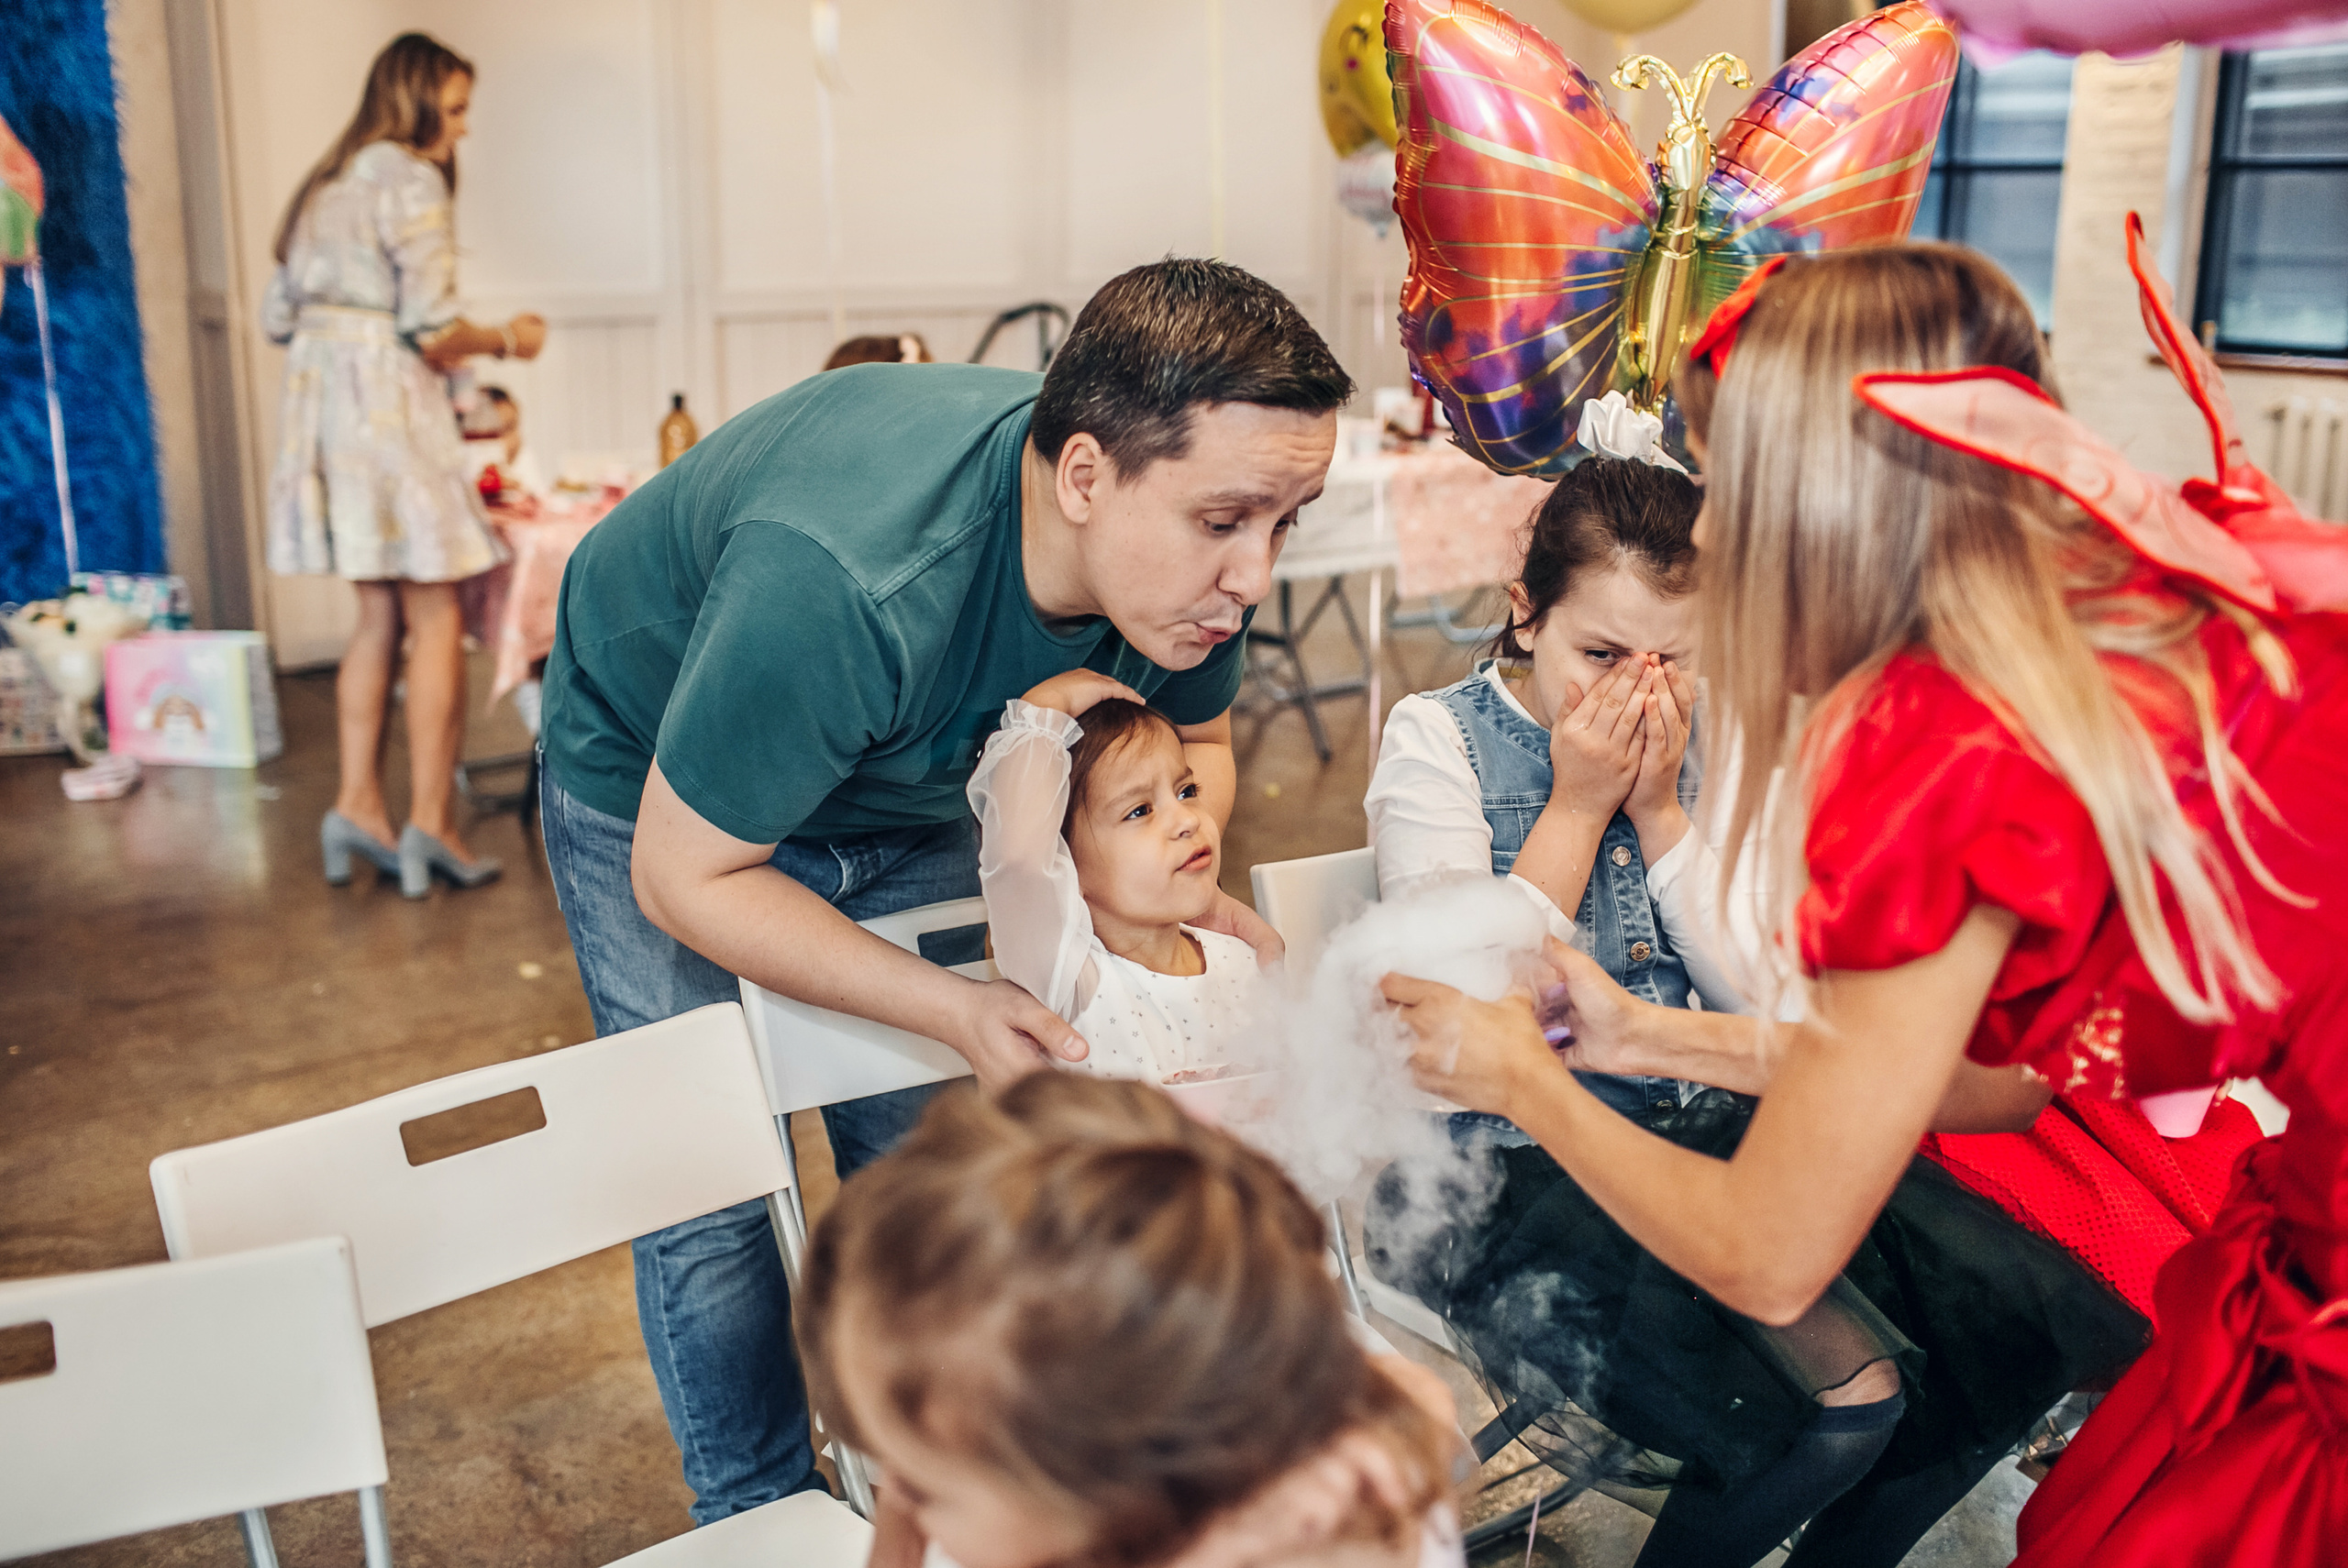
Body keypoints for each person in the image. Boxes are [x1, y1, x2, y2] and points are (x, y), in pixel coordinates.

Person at [1378, 240, 2348, 1567]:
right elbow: (1996, 1080)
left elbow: (1774, 1258)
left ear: (1825, 505)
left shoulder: (1958, 758)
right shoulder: (2095, 620)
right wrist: (1636, 1035)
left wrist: (1527, 1076)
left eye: (1724, 489)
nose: (1708, 534)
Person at [536, 258, 1346, 1522]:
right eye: (1225, 521)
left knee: (922, 1153)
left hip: (909, 767)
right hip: (658, 768)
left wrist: (1157, 899)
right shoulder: (851, 581)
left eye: (1286, 524)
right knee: (706, 1171)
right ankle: (757, 1512)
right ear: (1084, 477)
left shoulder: (1178, 579)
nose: (1255, 576)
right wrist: (956, 1004)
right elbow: (686, 875)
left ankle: (937, 1483)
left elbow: (1206, 752)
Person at [1363, 442, 2143, 1568]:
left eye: (1671, 658)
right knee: (1842, 1408)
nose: (1639, 691)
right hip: (1503, 1162)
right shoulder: (1437, 741)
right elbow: (1471, 1010)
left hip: (1710, 1117)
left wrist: (1669, 821)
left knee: (2006, 1331)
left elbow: (1766, 996)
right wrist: (1578, 809)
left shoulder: (1717, 735)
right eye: (1598, 653)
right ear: (1523, 615)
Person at [794, 1071, 1466, 1568]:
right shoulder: (1254, 1373)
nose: (898, 1502)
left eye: (924, 1487)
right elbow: (1419, 1402)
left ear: (1114, 1499)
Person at [264, 32, 548, 897]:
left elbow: (282, 315)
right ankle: (433, 824)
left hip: (324, 418)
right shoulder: (410, 178)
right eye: (455, 110)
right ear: (419, 100)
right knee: (433, 619)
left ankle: (357, 804)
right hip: (390, 419)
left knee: (374, 619)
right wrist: (510, 340)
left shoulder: (323, 185)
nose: (461, 131)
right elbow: (430, 324)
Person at [967, 672, 1267, 1083]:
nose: (1186, 820)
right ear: (1064, 865)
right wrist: (1045, 707)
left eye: (1187, 790)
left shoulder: (1245, 960)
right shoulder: (1067, 981)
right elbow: (1019, 860)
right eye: (1140, 810)